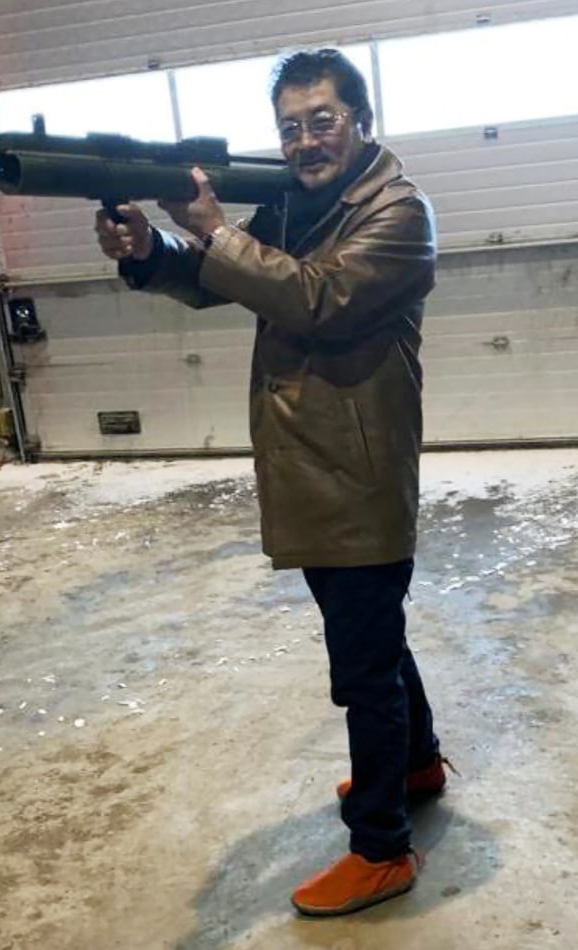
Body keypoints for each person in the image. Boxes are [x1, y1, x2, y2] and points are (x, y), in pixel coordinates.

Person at [95, 48, 448, 917]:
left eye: (322, 120)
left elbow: (316, 298)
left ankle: (382, 850)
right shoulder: (296, 202)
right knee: (374, 637)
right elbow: (227, 275)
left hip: (359, 473)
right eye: (290, 126)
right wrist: (152, 249)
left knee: (362, 667)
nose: (305, 140)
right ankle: (418, 767)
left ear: (361, 121)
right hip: (312, 466)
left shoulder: (399, 214)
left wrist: (213, 231)